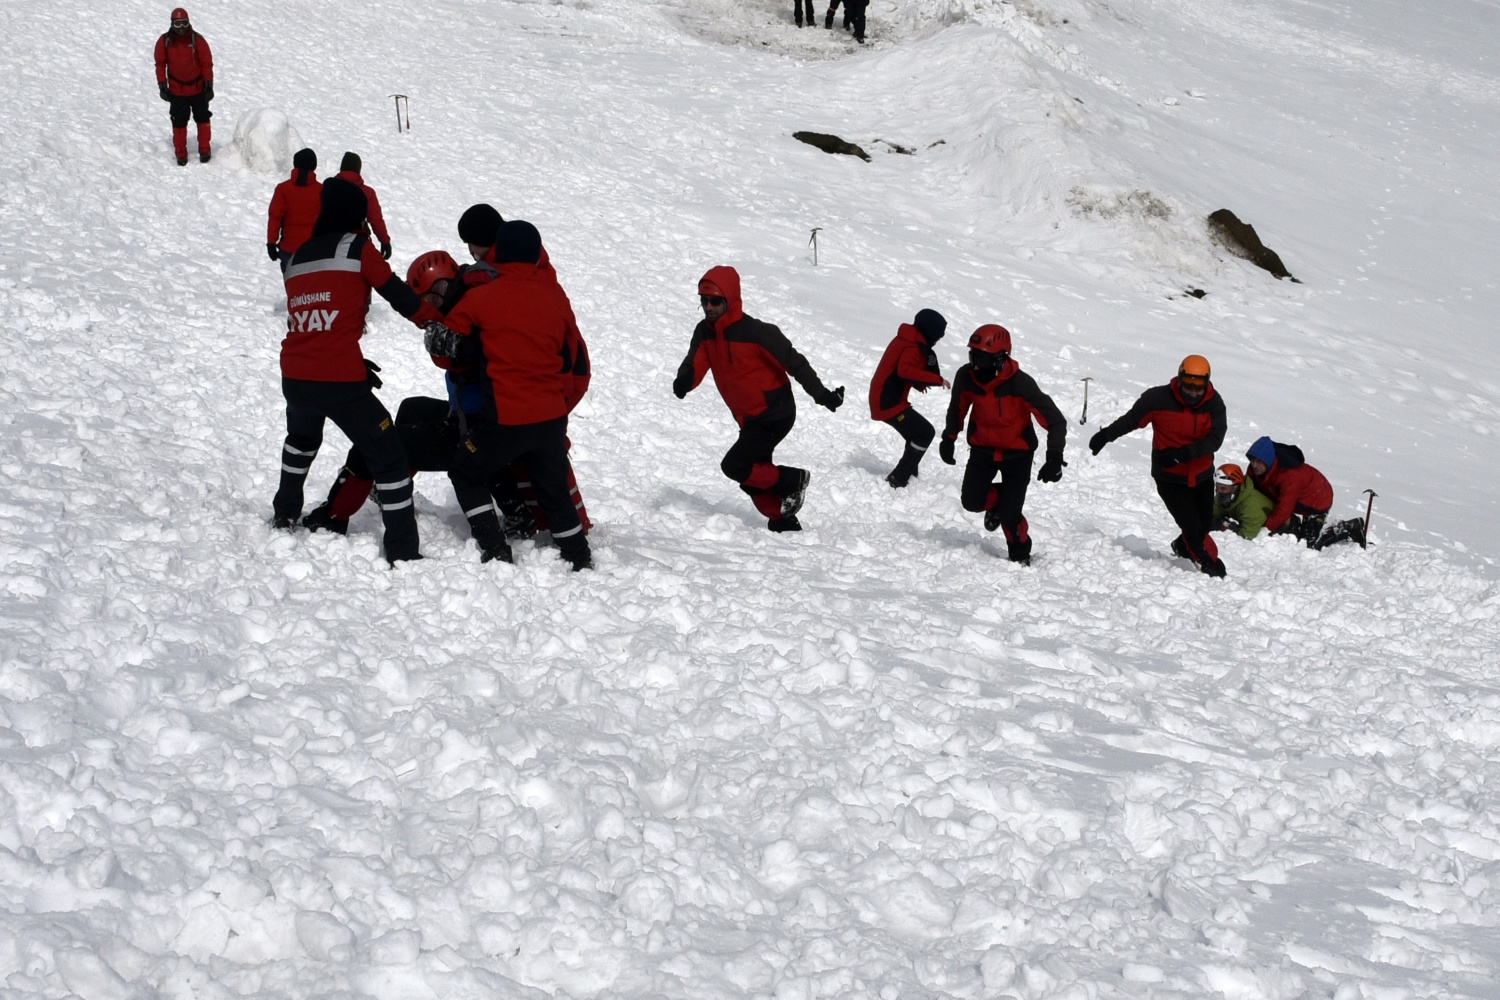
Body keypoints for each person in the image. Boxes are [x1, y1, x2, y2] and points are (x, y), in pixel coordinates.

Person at [270, 179, 441, 564]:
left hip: (296, 375)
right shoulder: (356, 248)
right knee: (390, 456)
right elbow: (398, 295)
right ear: (355, 215)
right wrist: (437, 320)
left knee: (301, 442)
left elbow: (318, 319)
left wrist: (351, 358)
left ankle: (284, 513)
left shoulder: (296, 258)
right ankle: (402, 551)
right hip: (339, 380)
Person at [425, 220, 593, 571]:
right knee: (554, 489)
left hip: (505, 420)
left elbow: (443, 348)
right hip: (550, 420)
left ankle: (495, 548)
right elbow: (571, 356)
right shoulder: (555, 298)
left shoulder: (483, 297)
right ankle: (578, 558)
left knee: (465, 470)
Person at [673, 266, 844, 532]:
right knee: (753, 474)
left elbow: (795, 363)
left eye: (715, 301)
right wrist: (685, 381)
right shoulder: (705, 333)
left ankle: (793, 479)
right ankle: (782, 521)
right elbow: (695, 362)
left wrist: (822, 395)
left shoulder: (757, 333)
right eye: (704, 300)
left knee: (735, 465)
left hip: (775, 413)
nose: (708, 307)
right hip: (749, 418)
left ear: (730, 299)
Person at [1089, 355, 1228, 577]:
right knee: (1194, 530)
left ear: (1207, 383)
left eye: (1198, 387)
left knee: (1202, 525)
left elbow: (1216, 438)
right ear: (1180, 378)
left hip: (1201, 475)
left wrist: (1184, 454)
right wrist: (1106, 435)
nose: (1193, 392)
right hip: (1169, 478)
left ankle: (1182, 547)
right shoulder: (1157, 399)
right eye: (1188, 386)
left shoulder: (1214, 404)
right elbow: (1132, 420)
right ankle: (1211, 566)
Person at [938, 324, 1066, 564]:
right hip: (983, 450)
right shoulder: (966, 377)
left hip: (1018, 455)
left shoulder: (1021, 384)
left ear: (1000, 359)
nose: (974, 365)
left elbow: (1055, 421)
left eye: (981, 359)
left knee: (1010, 515)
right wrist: (949, 437)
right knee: (971, 502)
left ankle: (1020, 552)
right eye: (972, 356)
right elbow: (958, 408)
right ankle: (1000, 502)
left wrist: (1054, 458)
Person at [870, 309, 949, 488]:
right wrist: (937, 380)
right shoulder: (912, 345)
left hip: (886, 399)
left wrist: (919, 384)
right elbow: (905, 370)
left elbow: (902, 370)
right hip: (888, 403)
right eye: (938, 335)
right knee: (925, 432)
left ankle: (909, 474)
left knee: (916, 433)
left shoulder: (908, 339)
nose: (937, 340)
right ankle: (898, 478)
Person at [1245, 437, 1366, 549]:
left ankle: (1349, 527)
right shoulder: (1256, 469)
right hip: (1299, 497)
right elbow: (1248, 488)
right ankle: (1302, 526)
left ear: (1268, 459)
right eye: (1252, 460)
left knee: (1310, 544)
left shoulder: (1288, 476)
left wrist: (1265, 530)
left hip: (1318, 499)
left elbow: (1284, 509)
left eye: (1259, 461)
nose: (1255, 465)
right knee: (1298, 533)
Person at [153, 7, 214, 165]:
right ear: (172, 24)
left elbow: (206, 63)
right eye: (178, 24)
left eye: (184, 23)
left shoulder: (197, 40)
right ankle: (181, 154)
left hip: (198, 88)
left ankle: (205, 150)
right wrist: (162, 85)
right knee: (178, 121)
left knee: (203, 118)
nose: (181, 28)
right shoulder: (164, 41)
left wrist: (209, 84)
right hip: (177, 90)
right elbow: (160, 64)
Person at [334, 152, 393, 260]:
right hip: (357, 242)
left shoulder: (327, 188)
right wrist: (385, 241)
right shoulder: (367, 192)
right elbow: (376, 220)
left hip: (330, 240)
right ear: (358, 169)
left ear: (342, 168)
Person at [266, 148, 321, 262]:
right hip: (314, 250)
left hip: (288, 249)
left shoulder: (283, 189)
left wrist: (271, 242)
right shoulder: (322, 190)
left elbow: (275, 217)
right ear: (314, 165)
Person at [1211, 463, 1274, 540]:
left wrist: (1231, 528)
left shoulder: (1251, 505)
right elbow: (1214, 514)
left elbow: (1247, 535)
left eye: (1223, 488)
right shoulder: (1224, 495)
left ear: (1235, 487)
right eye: (1217, 487)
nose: (1219, 492)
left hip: (1283, 530)